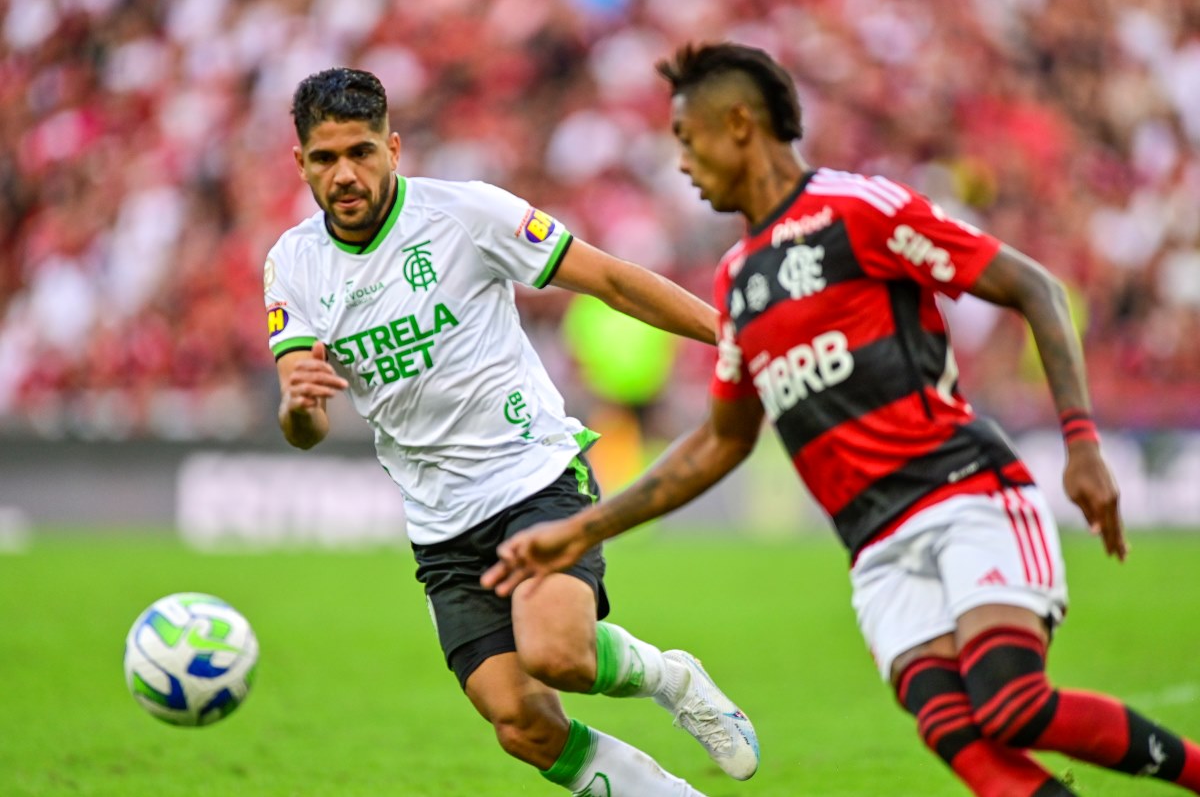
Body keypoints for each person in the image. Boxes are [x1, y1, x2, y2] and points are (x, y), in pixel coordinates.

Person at [482, 43, 1200, 797]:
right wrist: (582, 529)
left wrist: (1080, 443)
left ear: (738, 126)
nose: (684, 166)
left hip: (963, 495)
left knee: (1010, 704)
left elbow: (1036, 287)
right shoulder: (739, 280)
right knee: (959, 736)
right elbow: (720, 444)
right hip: (876, 549)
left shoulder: (861, 211)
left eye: (688, 142)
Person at [264, 67, 760, 796]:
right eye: (325, 158)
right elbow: (304, 426)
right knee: (520, 724)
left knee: (558, 654)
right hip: (439, 522)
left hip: (532, 476)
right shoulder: (293, 265)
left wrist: (731, 337)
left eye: (361, 152)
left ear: (393, 149)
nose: (345, 173)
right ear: (299, 163)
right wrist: (295, 406)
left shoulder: (467, 215)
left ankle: (672, 676)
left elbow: (613, 280)